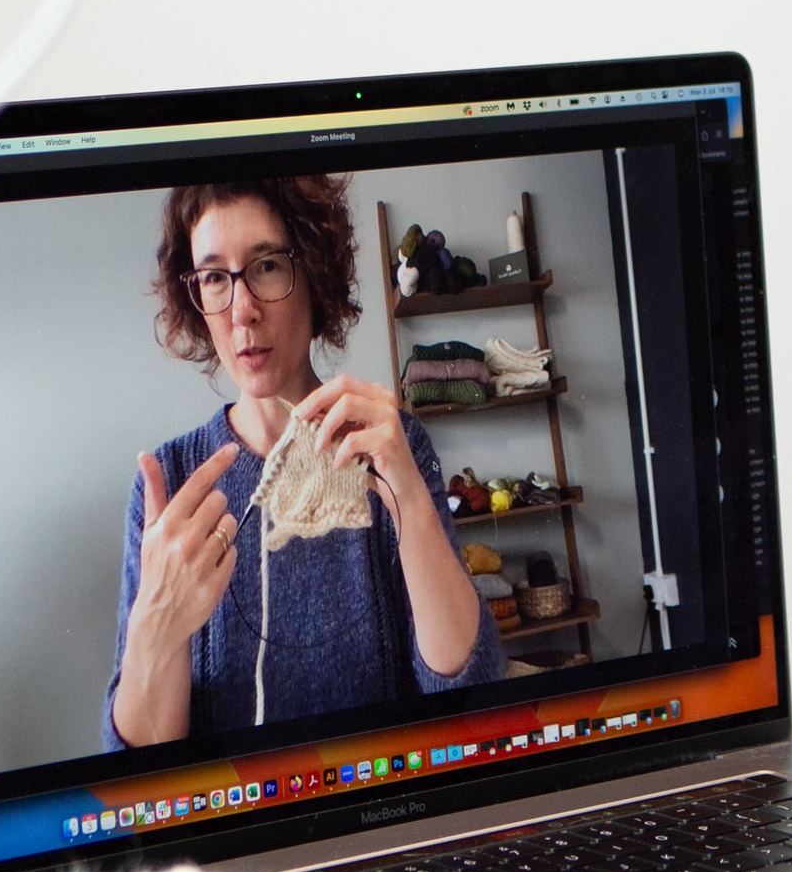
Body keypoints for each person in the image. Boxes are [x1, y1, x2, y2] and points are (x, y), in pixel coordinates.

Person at [103, 175, 500, 748]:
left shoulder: (390, 446)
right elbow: (140, 771)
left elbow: (470, 697)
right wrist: (155, 625)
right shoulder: (169, 486)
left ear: (313, 273)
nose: (242, 311)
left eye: (266, 266)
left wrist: (410, 503)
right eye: (215, 278)